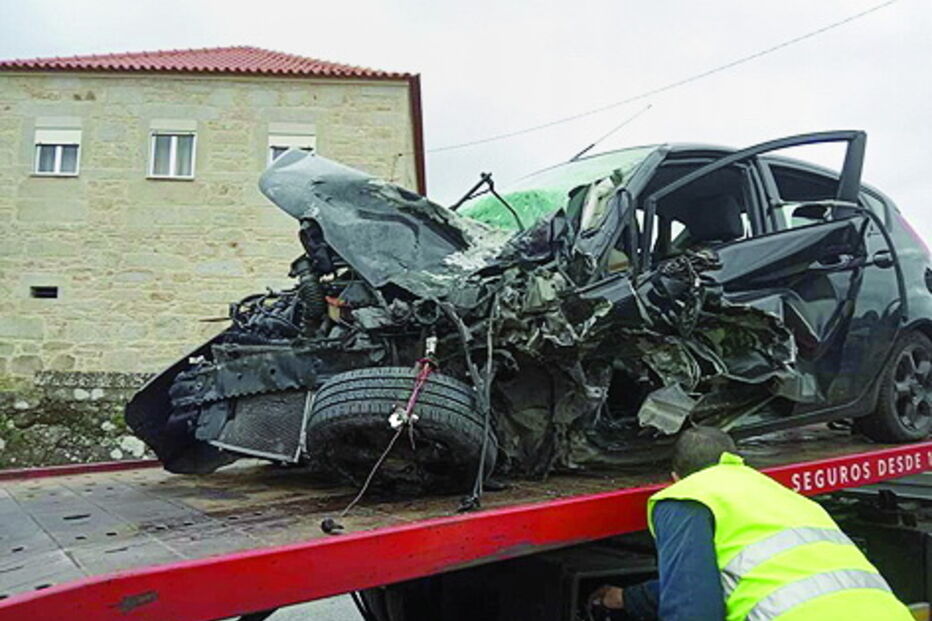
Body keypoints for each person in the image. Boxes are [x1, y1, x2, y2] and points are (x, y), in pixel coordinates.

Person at [588, 426, 913, 620]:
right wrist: (626, 599)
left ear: (674, 478)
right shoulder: (787, 497)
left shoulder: (690, 495)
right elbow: (735, 581)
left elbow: (692, 607)